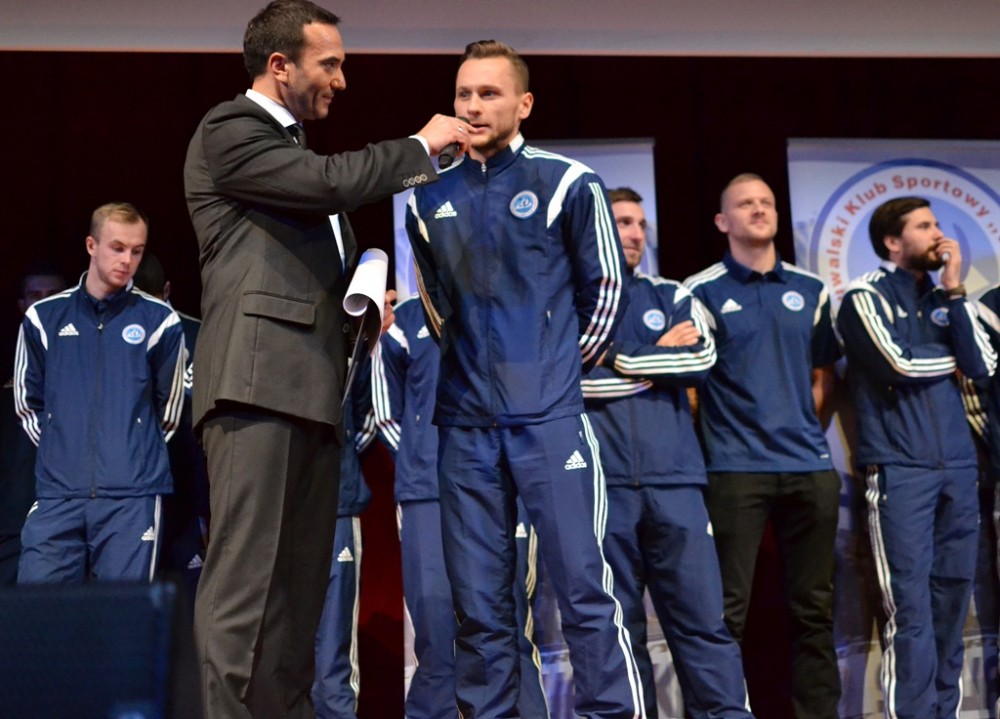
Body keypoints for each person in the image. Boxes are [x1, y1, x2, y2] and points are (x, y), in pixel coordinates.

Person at [182, 1, 471, 716]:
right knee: (245, 587)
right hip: (254, 389)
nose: (342, 80)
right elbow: (330, 184)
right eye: (330, 64)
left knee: (298, 595)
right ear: (280, 65)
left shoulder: (292, 153)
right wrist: (420, 146)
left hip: (314, 393)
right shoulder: (231, 128)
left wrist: (358, 314)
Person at [406, 39, 643, 718]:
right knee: (480, 607)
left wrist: (556, 373)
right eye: (464, 94)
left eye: (489, 93)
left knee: (584, 592)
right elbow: (435, 308)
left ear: (524, 103)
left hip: (550, 420)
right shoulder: (428, 195)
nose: (473, 106)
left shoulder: (568, 182)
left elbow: (606, 290)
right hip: (464, 426)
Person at [583, 187, 752, 719]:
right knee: (618, 630)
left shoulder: (671, 295)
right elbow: (566, 382)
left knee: (704, 624)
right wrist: (657, 360)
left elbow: (700, 359)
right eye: (622, 222)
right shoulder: (567, 299)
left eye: (640, 224)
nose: (635, 234)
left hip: (677, 481)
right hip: (602, 486)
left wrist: (616, 357)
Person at [683, 173, 842, 718]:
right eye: (745, 204)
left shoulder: (811, 289)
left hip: (808, 467)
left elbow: (823, 377)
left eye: (767, 202)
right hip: (734, 469)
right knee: (727, 611)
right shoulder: (699, 292)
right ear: (722, 221)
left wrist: (797, 429)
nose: (759, 210)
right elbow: (691, 387)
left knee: (814, 610)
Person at [837, 196, 996, 718]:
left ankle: (945, 712)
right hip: (900, 470)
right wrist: (951, 356)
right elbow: (897, 364)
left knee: (952, 603)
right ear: (892, 241)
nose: (937, 234)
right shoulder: (864, 296)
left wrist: (955, 290)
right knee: (910, 610)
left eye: (936, 224)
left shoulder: (948, 298)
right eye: (924, 226)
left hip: (958, 467)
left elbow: (983, 367)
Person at [372, 294, 549, 718]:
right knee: (436, 633)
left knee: (508, 624)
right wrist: (424, 458)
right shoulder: (404, 321)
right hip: (426, 493)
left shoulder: (508, 305)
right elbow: (386, 413)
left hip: (498, 486)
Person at [13, 202, 186, 584]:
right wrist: (63, 446)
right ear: (91, 245)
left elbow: (169, 410)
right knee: (39, 610)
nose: (127, 260)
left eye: (137, 251)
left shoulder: (160, 320)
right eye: (117, 248)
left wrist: (131, 450)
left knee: (122, 614)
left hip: (132, 496)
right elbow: (27, 402)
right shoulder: (43, 317)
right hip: (59, 492)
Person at [132, 252, 208, 606]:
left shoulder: (199, 336)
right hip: (133, 492)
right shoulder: (118, 334)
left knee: (190, 597)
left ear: (166, 291)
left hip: (188, 492)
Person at [311, 354, 375, 719]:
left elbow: (367, 420)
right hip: (285, 510)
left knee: (336, 638)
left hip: (339, 502)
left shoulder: (350, 349)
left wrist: (343, 456)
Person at [0, 262, 67, 586]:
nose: (43, 302)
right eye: (34, 295)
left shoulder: (90, 358)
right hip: (12, 516)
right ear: (21, 304)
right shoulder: (7, 372)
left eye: (52, 294)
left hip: (69, 507)